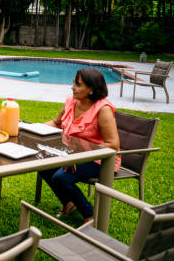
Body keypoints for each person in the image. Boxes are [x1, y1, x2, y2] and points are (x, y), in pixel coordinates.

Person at [39, 68, 120, 225]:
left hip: (100, 160)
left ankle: (89, 215)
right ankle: (69, 203)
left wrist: (79, 156)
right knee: (43, 166)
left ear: (91, 89)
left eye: (78, 84)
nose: (72, 87)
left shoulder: (102, 109)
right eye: (73, 83)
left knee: (61, 177)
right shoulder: (71, 102)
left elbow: (113, 144)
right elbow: (56, 123)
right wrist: (34, 128)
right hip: (74, 155)